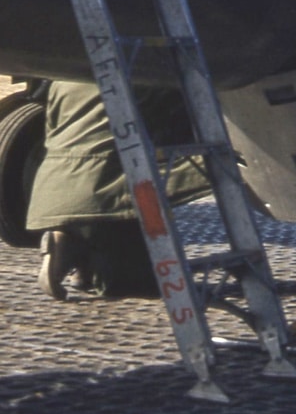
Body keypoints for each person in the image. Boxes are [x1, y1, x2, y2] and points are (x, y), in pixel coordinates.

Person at [30, 80, 210, 300]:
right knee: (140, 284)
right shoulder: (152, 71)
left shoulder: (60, 79)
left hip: (51, 191)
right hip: (110, 192)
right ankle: (86, 252)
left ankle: (77, 251)